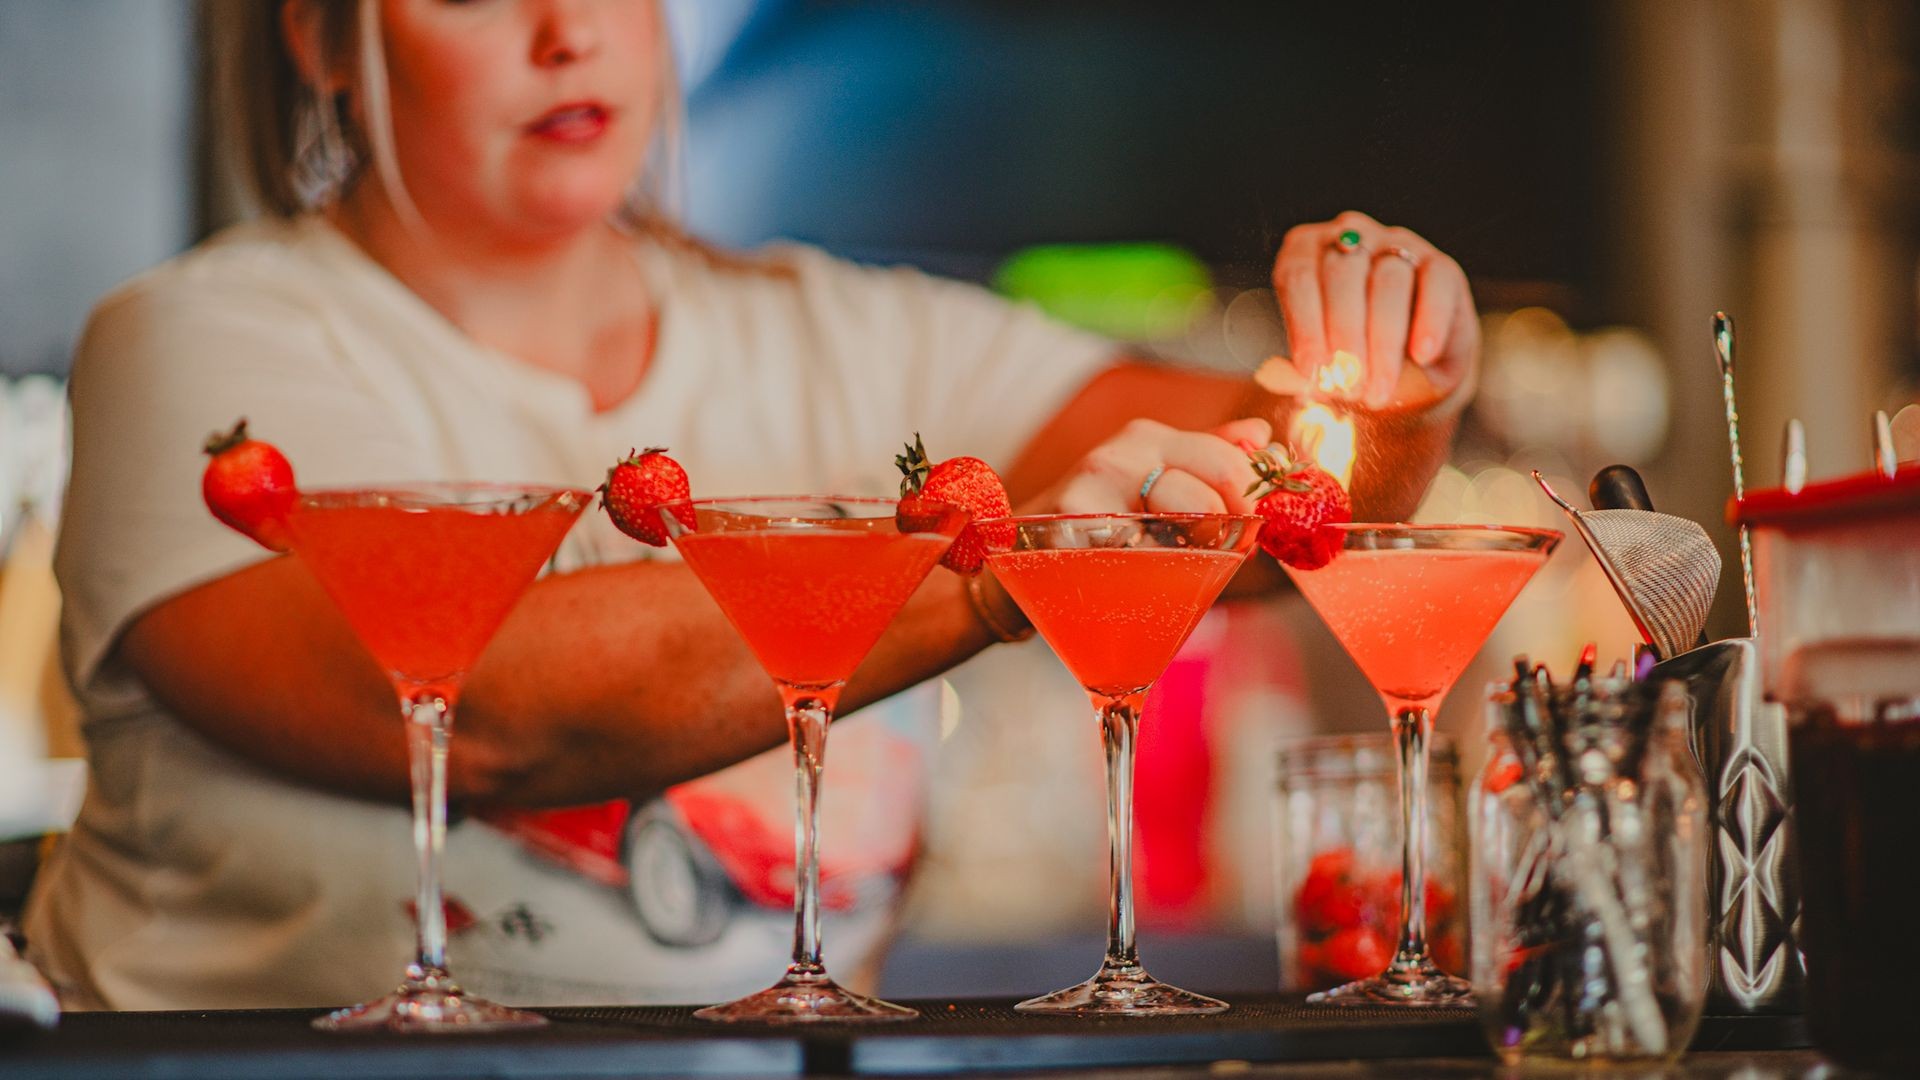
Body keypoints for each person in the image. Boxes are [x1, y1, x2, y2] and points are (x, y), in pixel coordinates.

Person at [26, 0, 1478, 1010]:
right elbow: (491, 700)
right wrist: (981, 576)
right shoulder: (200, 350)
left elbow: (1282, 496)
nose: (567, 29)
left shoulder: (846, 337)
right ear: (325, 36)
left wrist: (1392, 389)